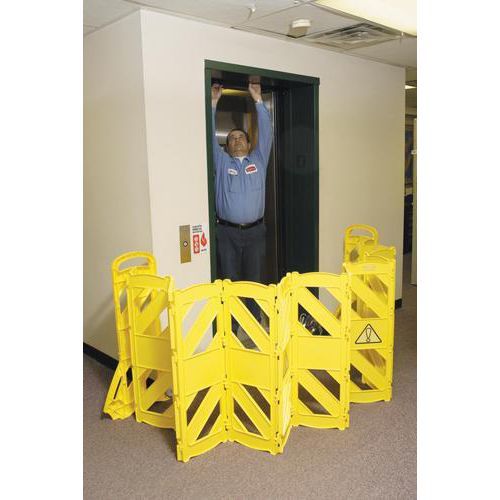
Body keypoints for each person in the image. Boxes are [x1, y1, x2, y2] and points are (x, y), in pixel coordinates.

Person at [211, 82, 273, 326]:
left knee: (254, 280)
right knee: (230, 281)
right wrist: (213, 104)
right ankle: (233, 326)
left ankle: (253, 323)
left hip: (256, 232)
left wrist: (258, 100)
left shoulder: (258, 160)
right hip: (226, 233)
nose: (237, 140)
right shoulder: (221, 163)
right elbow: (208, 136)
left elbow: (266, 133)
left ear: (249, 144)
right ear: (227, 146)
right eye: (232, 138)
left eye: (241, 137)